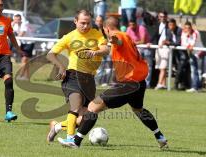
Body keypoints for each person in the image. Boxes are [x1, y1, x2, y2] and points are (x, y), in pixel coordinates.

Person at [58, 16, 168, 149]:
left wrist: (113, 39)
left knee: (92, 107)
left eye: (104, 31)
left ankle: (75, 142)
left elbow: (117, 40)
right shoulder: (127, 35)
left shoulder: (117, 35)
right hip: (140, 83)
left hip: (128, 84)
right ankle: (160, 136)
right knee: (138, 110)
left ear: (106, 28)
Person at [46, 9, 108, 142]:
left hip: (89, 79)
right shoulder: (69, 37)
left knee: (86, 117)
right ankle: (70, 139)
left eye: (88, 23)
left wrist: (95, 52)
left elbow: (106, 49)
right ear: (75, 22)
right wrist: (61, 67)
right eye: (82, 23)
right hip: (72, 76)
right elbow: (50, 54)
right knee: (75, 106)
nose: (85, 26)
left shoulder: (96, 34)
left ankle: (57, 127)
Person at [126, 19, 152, 88]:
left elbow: (143, 41)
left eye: (133, 25)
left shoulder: (141, 28)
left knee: (148, 67)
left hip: (146, 49)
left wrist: (133, 43)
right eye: (130, 25)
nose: (131, 26)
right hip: (136, 50)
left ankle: (147, 84)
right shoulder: (128, 29)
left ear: (136, 24)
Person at [161, 18, 182, 90]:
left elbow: (179, 43)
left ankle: (178, 85)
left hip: (181, 53)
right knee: (176, 69)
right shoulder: (168, 31)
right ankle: (176, 85)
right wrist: (165, 42)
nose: (171, 27)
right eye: (169, 25)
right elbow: (168, 40)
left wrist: (169, 43)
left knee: (180, 68)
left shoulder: (179, 30)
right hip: (173, 53)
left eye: (172, 25)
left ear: (175, 25)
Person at [12, 14, 34, 80]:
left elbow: (21, 34)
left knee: (24, 59)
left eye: (18, 19)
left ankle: (20, 76)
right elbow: (11, 32)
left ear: (21, 19)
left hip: (29, 43)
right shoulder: (14, 25)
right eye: (15, 19)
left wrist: (13, 37)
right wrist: (11, 26)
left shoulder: (24, 25)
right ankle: (27, 77)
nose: (16, 21)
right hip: (23, 43)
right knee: (25, 61)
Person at [181, 21, 200, 92]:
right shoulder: (183, 33)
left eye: (189, 28)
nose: (187, 29)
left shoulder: (196, 33)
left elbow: (193, 44)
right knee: (194, 70)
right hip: (192, 54)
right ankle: (195, 87)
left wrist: (189, 45)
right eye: (186, 28)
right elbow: (183, 44)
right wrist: (188, 45)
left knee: (199, 71)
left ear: (191, 27)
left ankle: (196, 87)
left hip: (199, 53)